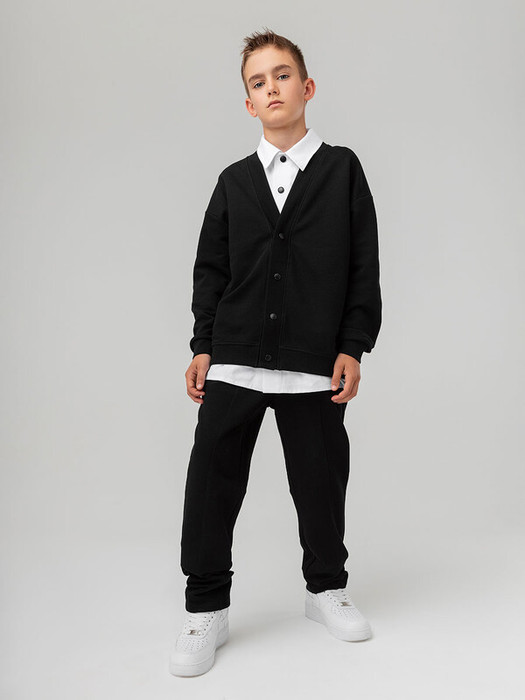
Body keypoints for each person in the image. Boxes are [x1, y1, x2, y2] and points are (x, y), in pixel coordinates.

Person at [169, 28, 382, 677]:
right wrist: (203, 345)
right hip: (234, 354)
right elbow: (210, 268)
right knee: (212, 482)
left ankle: (326, 589)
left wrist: (352, 346)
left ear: (306, 86)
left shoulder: (342, 170)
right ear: (248, 103)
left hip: (312, 358)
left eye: (282, 75)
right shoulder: (234, 182)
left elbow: (363, 266)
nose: (272, 88)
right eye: (258, 82)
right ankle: (205, 606)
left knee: (320, 481)